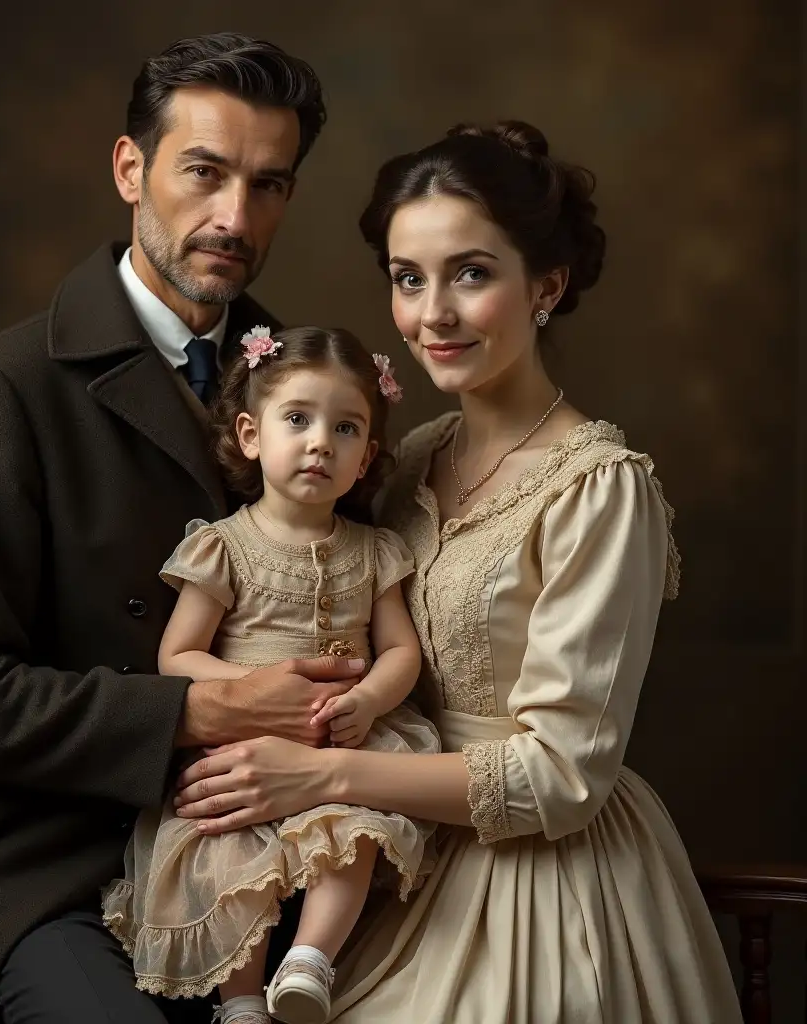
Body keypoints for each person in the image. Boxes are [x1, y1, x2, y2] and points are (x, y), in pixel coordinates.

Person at [170, 121, 743, 1022]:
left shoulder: (599, 490)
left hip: (542, 879)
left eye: (470, 274)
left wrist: (321, 778)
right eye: (408, 279)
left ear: (546, 285)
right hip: (387, 859)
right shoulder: (402, 465)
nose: (431, 313)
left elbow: (562, 776)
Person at [0, 33, 359, 1024]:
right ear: (130, 168)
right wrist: (201, 712)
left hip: (259, 857)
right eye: (205, 172)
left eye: (268, 184)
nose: (235, 216)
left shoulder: (302, 396)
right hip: (48, 873)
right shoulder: (3, 386)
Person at [102, 326, 440, 1024]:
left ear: (366, 457)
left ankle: (308, 962)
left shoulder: (376, 552)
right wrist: (247, 694)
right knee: (228, 859)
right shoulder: (224, 546)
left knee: (353, 835)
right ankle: (242, 1000)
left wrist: (371, 698)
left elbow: (401, 651)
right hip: (244, 744)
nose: (320, 441)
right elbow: (178, 655)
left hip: (344, 742)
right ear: (252, 435)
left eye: (345, 428)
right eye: (298, 419)